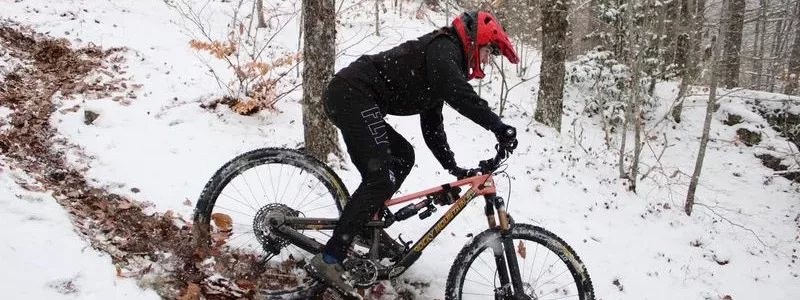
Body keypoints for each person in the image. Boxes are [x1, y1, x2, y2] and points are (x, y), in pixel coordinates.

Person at [305, 10, 520, 297]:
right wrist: (498, 126)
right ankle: (330, 259)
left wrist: (453, 168)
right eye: (489, 52)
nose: (487, 61)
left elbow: (432, 126)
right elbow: (458, 93)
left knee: (403, 155)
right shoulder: (444, 48)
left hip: (354, 97)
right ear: (476, 39)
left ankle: (365, 225)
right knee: (379, 178)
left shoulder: (443, 60)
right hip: (351, 94)